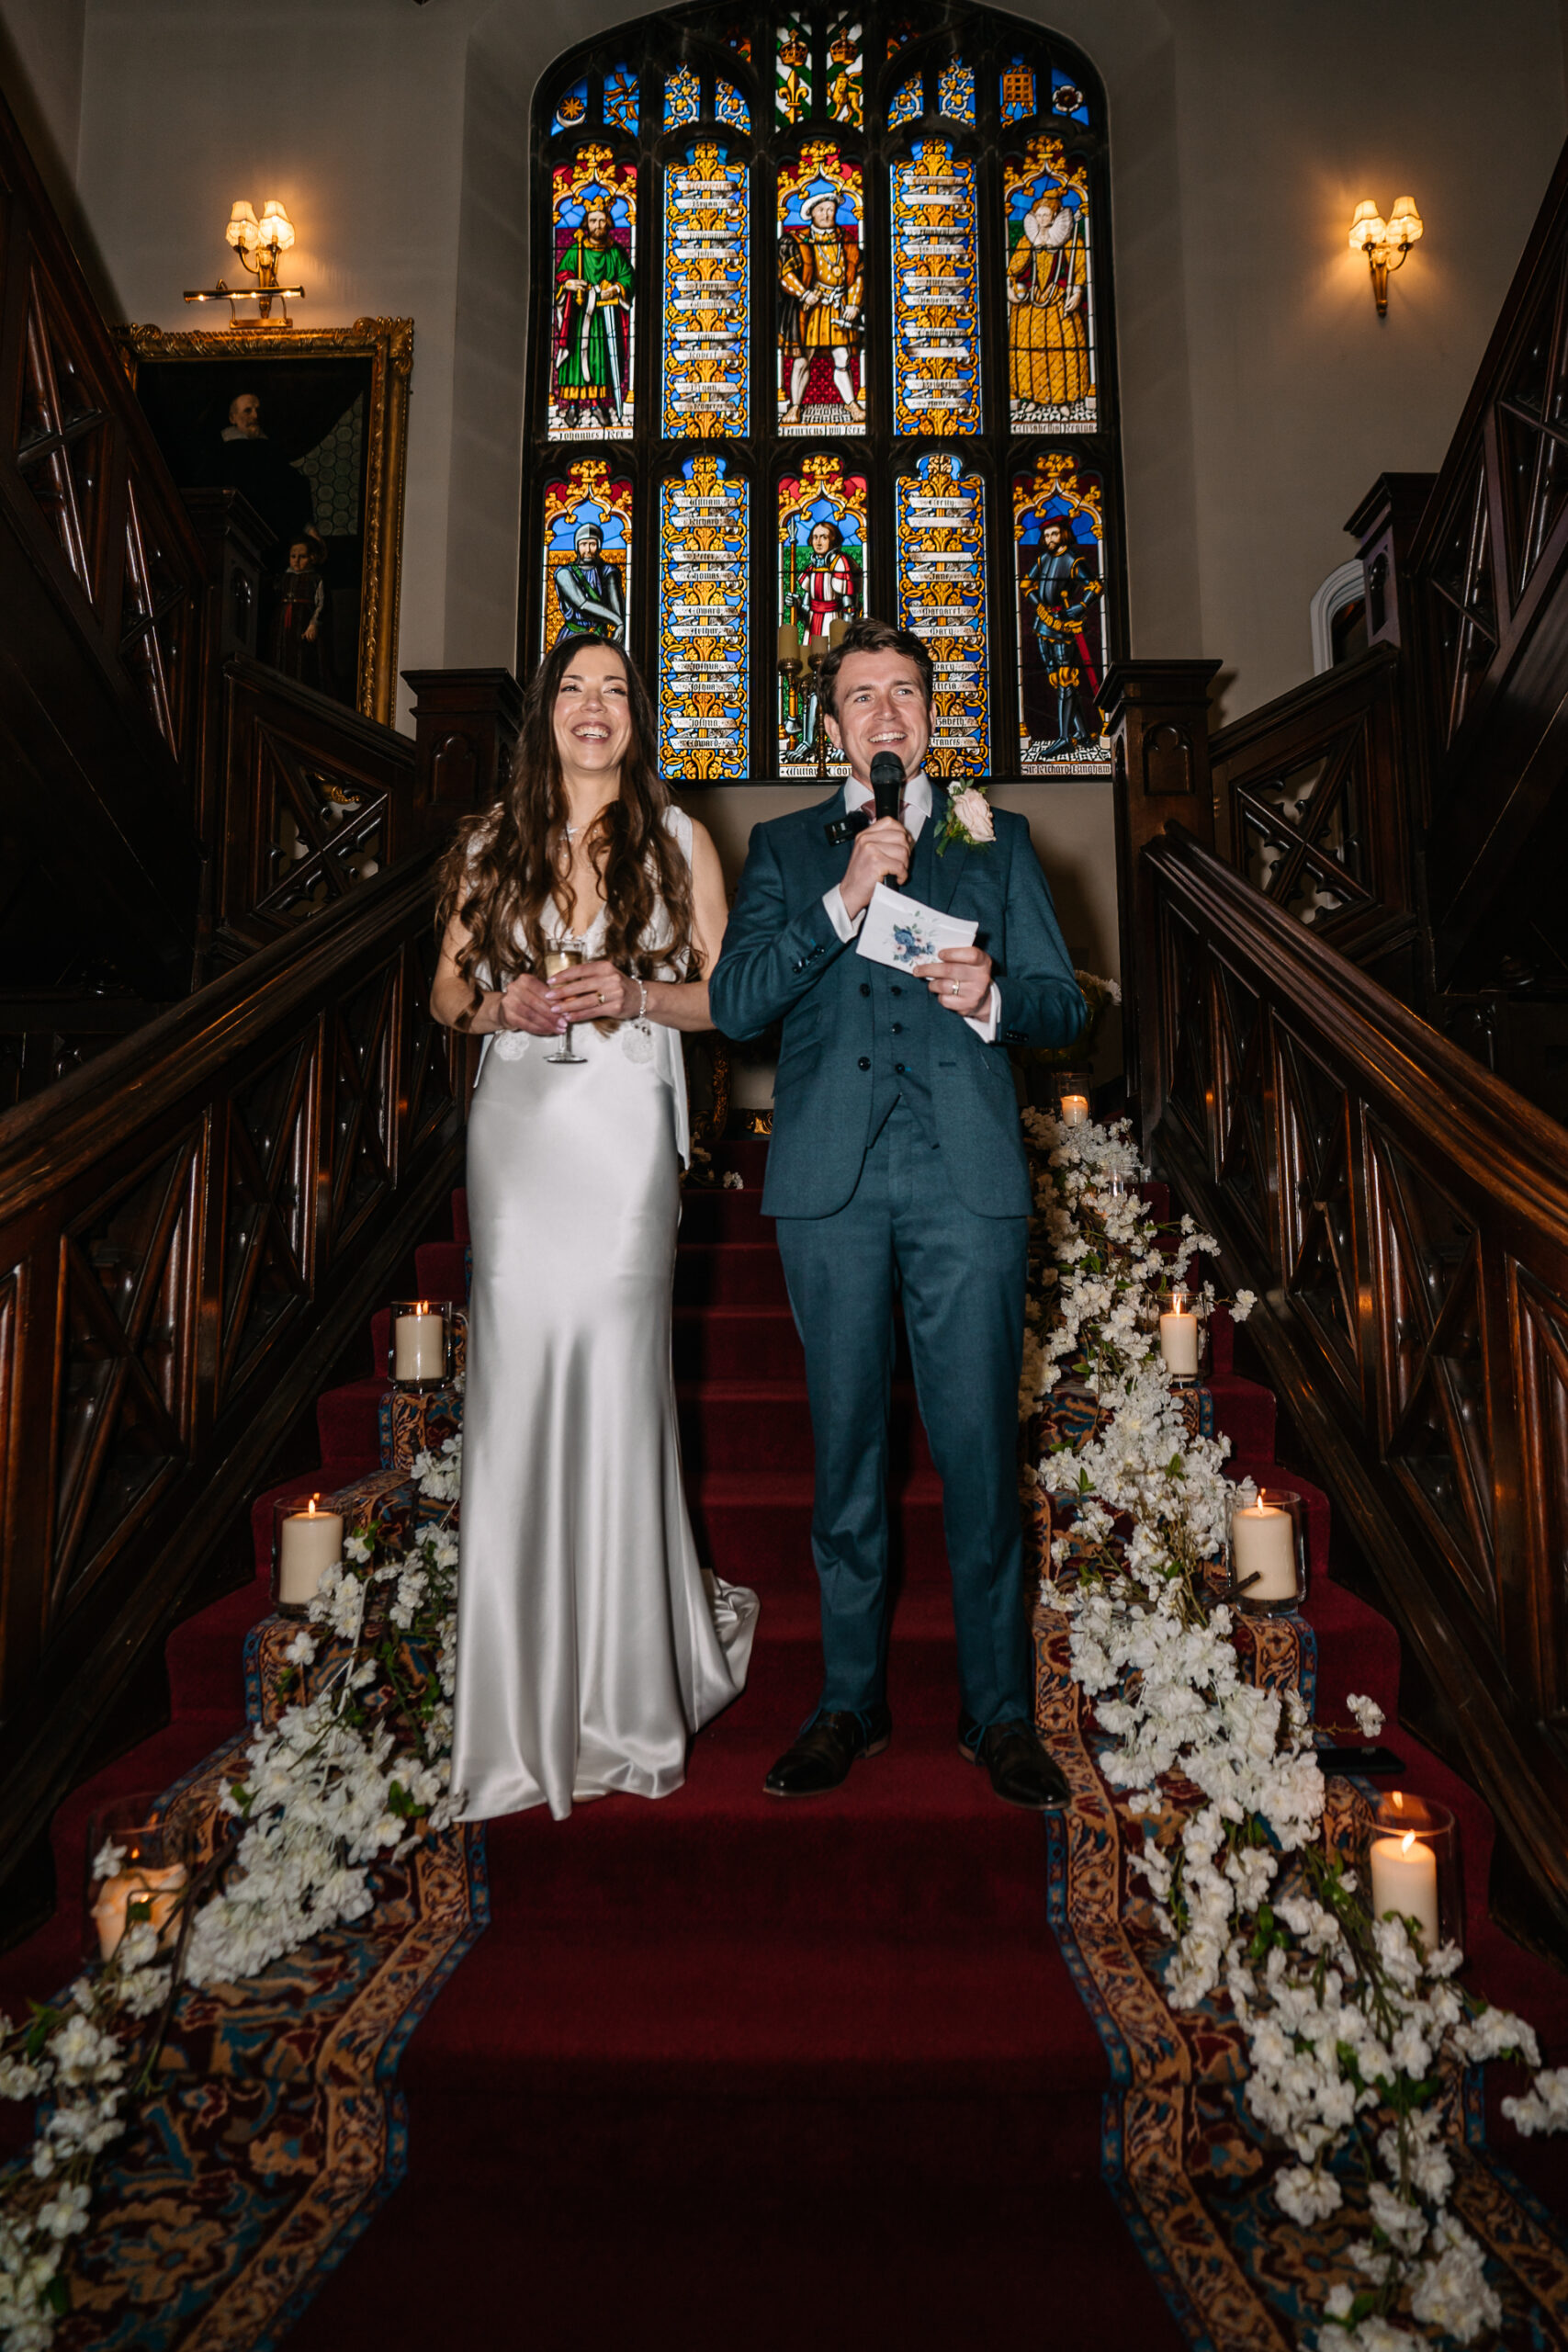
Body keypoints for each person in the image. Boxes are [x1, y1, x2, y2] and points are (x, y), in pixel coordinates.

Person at [709, 616, 1086, 1811]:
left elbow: (1064, 1004)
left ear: (930, 717)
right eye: (859, 696)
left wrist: (996, 995)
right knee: (844, 1461)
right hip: (829, 1181)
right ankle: (848, 1702)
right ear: (830, 727)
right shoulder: (780, 850)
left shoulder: (994, 837)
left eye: (903, 694)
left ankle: (997, 1714)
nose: (883, 714)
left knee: (978, 1452)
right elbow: (731, 1007)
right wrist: (839, 899)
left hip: (963, 1180)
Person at [434, 636, 756, 1820]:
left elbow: (729, 994)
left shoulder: (679, 844)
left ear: (636, 719)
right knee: (515, 1392)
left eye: (616, 689)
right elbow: (444, 992)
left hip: (623, 1131)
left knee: (620, 1381)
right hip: (518, 1130)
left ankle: (625, 1698)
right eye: (574, 686)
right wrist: (497, 999)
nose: (594, 705)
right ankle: (513, 1713)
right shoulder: (488, 845)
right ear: (545, 717)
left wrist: (635, 991)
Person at [779, 189, 863, 424]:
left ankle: (852, 406)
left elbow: (858, 274)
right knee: (802, 360)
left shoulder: (847, 240)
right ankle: (794, 408)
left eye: (831, 209)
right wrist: (804, 293)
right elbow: (784, 273)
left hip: (837, 307)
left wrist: (854, 303)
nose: (827, 214)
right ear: (811, 214)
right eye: (821, 210)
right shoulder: (796, 240)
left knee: (843, 357)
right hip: (809, 310)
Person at [1023, 516, 1103, 755]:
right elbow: (1026, 584)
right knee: (1058, 680)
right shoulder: (1043, 559)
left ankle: (1064, 737)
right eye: (1047, 535)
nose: (1050, 539)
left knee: (1066, 678)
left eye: (1054, 534)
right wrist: (1039, 605)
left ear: (1064, 535)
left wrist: (1080, 606)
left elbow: (1095, 586)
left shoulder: (1072, 560)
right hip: (1043, 623)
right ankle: (1082, 733)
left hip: (1063, 626)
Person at [1006, 189, 1090, 410]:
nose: (1043, 219)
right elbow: (1014, 267)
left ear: (1055, 217)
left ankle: (1062, 399)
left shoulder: (1070, 241)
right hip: (1032, 302)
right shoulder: (1028, 241)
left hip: (1058, 302)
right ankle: (1033, 397)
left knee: (1061, 350)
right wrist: (1010, 286)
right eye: (1039, 215)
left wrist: (1077, 292)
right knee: (1030, 350)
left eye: (1046, 215)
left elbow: (1079, 269)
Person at [553, 200, 634, 429]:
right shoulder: (576, 250)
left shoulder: (614, 252)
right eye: (592, 220)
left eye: (601, 220)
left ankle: (598, 404)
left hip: (604, 317)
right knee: (575, 360)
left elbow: (627, 276)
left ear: (608, 223)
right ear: (586, 224)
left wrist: (616, 288)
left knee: (601, 361)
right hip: (577, 317)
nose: (597, 225)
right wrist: (569, 283)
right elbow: (561, 275)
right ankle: (573, 405)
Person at [269, 535, 327, 689]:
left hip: (302, 623)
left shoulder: (315, 578)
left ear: (312, 558)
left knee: (302, 660)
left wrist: (313, 624)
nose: (296, 560)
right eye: (293, 556)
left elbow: (321, 604)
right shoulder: (284, 577)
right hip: (282, 624)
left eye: (302, 557)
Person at [554, 522, 626, 645]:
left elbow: (618, 610)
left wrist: (619, 623)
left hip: (600, 637)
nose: (587, 550)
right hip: (572, 637)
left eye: (592, 544)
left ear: (599, 546)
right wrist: (617, 621)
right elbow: (582, 604)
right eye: (583, 544)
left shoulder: (607, 571)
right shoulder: (564, 573)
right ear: (577, 547)